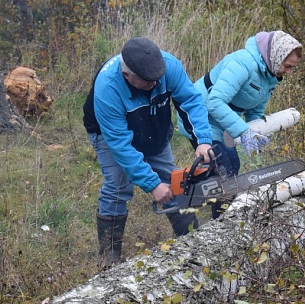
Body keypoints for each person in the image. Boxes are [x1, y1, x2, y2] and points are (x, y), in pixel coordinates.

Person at [83, 37, 215, 267]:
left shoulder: (167, 67)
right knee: (118, 186)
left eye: (158, 80)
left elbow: (191, 101)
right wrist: (151, 184)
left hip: (153, 125)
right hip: (109, 134)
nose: (155, 85)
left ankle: (192, 241)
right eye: (147, 82)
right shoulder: (108, 88)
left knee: (172, 179)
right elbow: (121, 146)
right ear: (127, 75)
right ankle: (109, 259)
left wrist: (202, 140)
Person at [180, 30, 303, 219]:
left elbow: (255, 110)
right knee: (224, 169)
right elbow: (215, 102)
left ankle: (207, 201)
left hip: (222, 121)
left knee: (231, 167)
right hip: (200, 117)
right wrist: (243, 131)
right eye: (287, 66)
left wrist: (256, 132)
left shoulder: (270, 75)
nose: (288, 71)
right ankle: (217, 219)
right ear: (276, 56)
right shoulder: (243, 63)